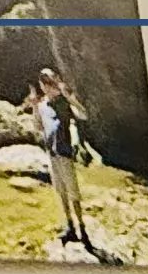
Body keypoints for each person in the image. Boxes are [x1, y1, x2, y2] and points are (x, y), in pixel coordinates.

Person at [26, 64, 96, 255]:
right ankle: (70, 226)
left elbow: (84, 115)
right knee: (61, 192)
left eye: (50, 81)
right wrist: (34, 106)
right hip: (52, 154)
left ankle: (82, 228)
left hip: (65, 153)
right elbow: (38, 128)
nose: (47, 86)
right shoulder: (42, 105)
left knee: (73, 194)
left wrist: (70, 98)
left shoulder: (64, 103)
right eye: (44, 82)